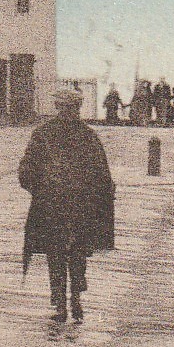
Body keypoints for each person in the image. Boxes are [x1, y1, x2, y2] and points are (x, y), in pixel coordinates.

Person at [19, 87, 115, 323]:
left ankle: (61, 302)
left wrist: (39, 189)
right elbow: (102, 173)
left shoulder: (43, 133)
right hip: (80, 205)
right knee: (77, 252)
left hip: (53, 205)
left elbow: (26, 171)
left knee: (57, 253)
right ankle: (74, 300)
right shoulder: (88, 136)